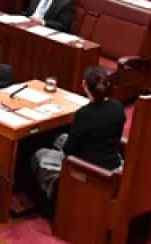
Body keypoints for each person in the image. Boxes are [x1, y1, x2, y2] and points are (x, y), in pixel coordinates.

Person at [30, 66, 125, 215]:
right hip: (112, 160)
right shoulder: (118, 107)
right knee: (58, 137)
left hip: (87, 166)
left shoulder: (84, 114)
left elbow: (68, 150)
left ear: (84, 85)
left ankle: (49, 200)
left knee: (40, 154)